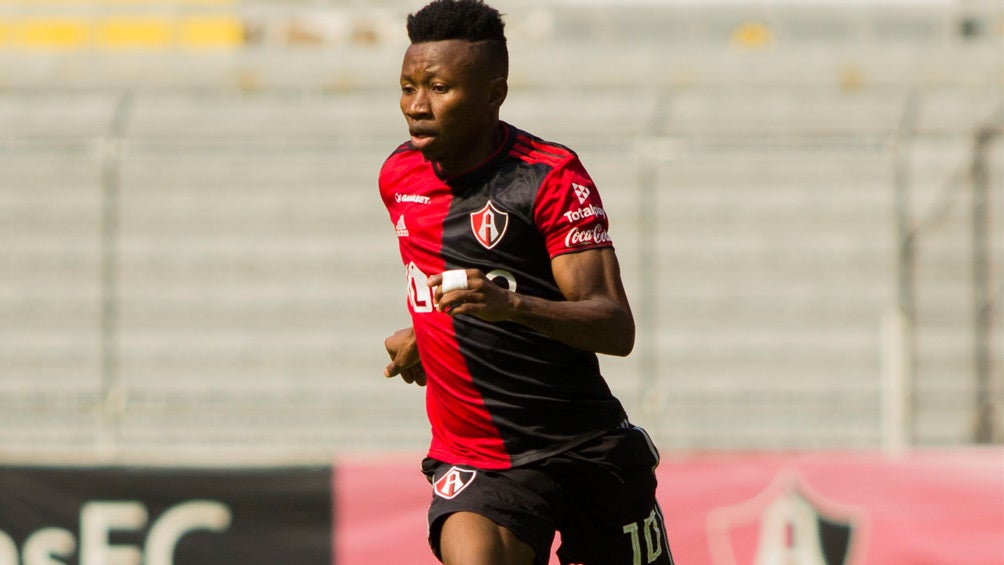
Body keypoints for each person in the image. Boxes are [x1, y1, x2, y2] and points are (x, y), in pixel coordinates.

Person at [379, 1, 674, 563]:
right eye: (408, 87)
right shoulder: (399, 176)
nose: (416, 106)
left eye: (438, 88)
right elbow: (445, 284)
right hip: (478, 460)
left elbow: (615, 327)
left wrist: (511, 306)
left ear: (494, 93)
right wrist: (428, 332)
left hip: (586, 446)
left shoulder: (549, 178)